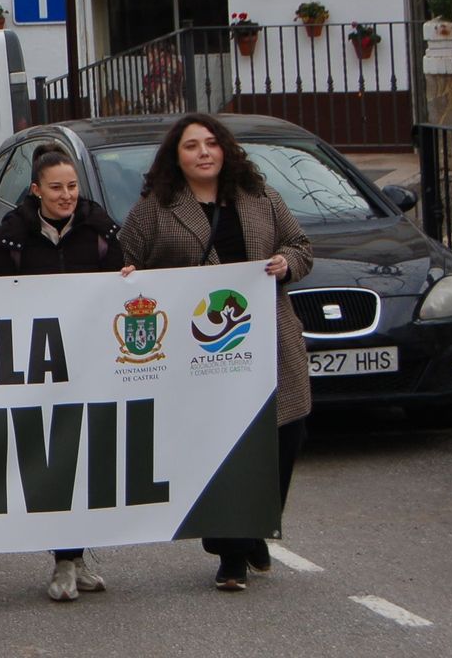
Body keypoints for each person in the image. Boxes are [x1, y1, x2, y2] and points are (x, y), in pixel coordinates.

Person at [118, 113, 313, 592]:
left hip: (268, 343)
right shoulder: (156, 208)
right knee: (220, 448)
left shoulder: (260, 197)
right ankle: (231, 553)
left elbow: (301, 246)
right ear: (176, 157)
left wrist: (287, 263)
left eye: (211, 143)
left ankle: (254, 527)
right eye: (191, 146)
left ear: (225, 149)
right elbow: (125, 259)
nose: (203, 152)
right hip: (200, 354)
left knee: (283, 440)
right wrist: (125, 277)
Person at [0, 144, 132, 601]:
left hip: (93, 366)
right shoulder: (10, 237)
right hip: (37, 368)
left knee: (86, 459)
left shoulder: (102, 231)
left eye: (72, 186)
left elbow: (124, 290)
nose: (66, 195)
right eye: (56, 188)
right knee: (51, 460)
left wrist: (130, 277)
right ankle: (63, 559)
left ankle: (75, 558)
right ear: (36, 190)